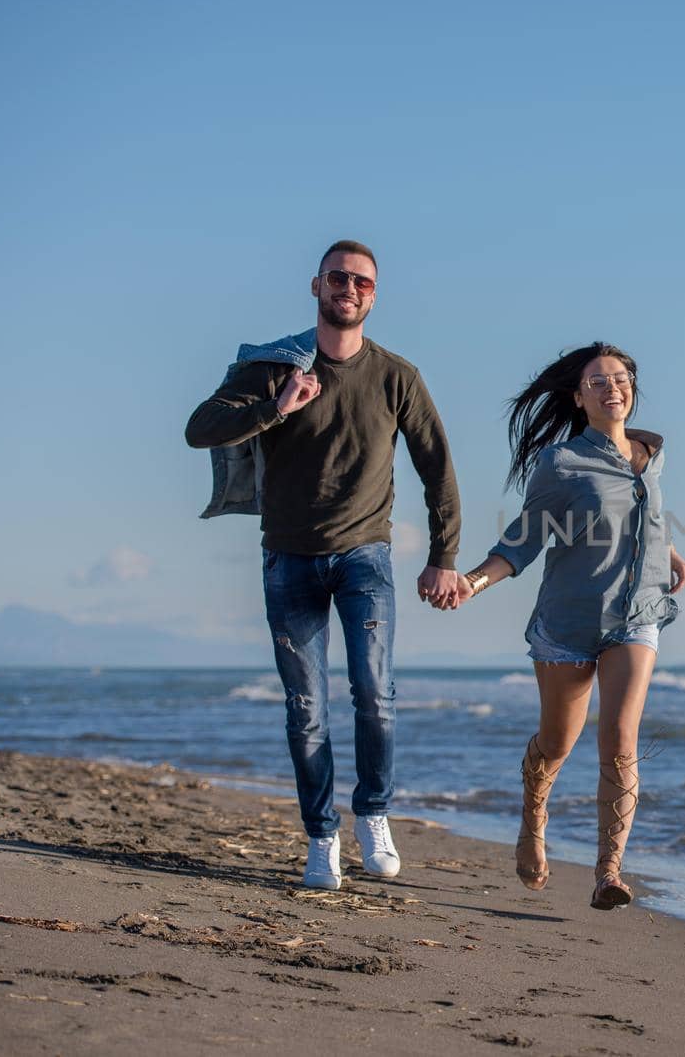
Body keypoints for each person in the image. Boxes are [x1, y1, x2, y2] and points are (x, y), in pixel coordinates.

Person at [184, 240, 471, 890]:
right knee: (306, 707)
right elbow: (200, 429)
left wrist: (443, 558)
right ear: (316, 286)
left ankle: (371, 813)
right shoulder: (276, 368)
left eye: (362, 282)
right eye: (339, 278)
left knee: (375, 695)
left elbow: (438, 471)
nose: (350, 288)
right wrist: (274, 408)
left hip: (365, 557)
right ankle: (321, 838)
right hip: (288, 559)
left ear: (374, 297)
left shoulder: (397, 376)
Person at [458, 343, 685, 909]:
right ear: (578, 396)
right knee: (559, 742)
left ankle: (608, 872)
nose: (613, 388)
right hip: (568, 622)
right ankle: (533, 818)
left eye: (621, 378)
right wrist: (473, 582)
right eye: (599, 381)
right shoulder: (560, 464)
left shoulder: (650, 453)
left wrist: (670, 553)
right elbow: (523, 538)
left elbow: (640, 514)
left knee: (620, 742)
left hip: (636, 616)